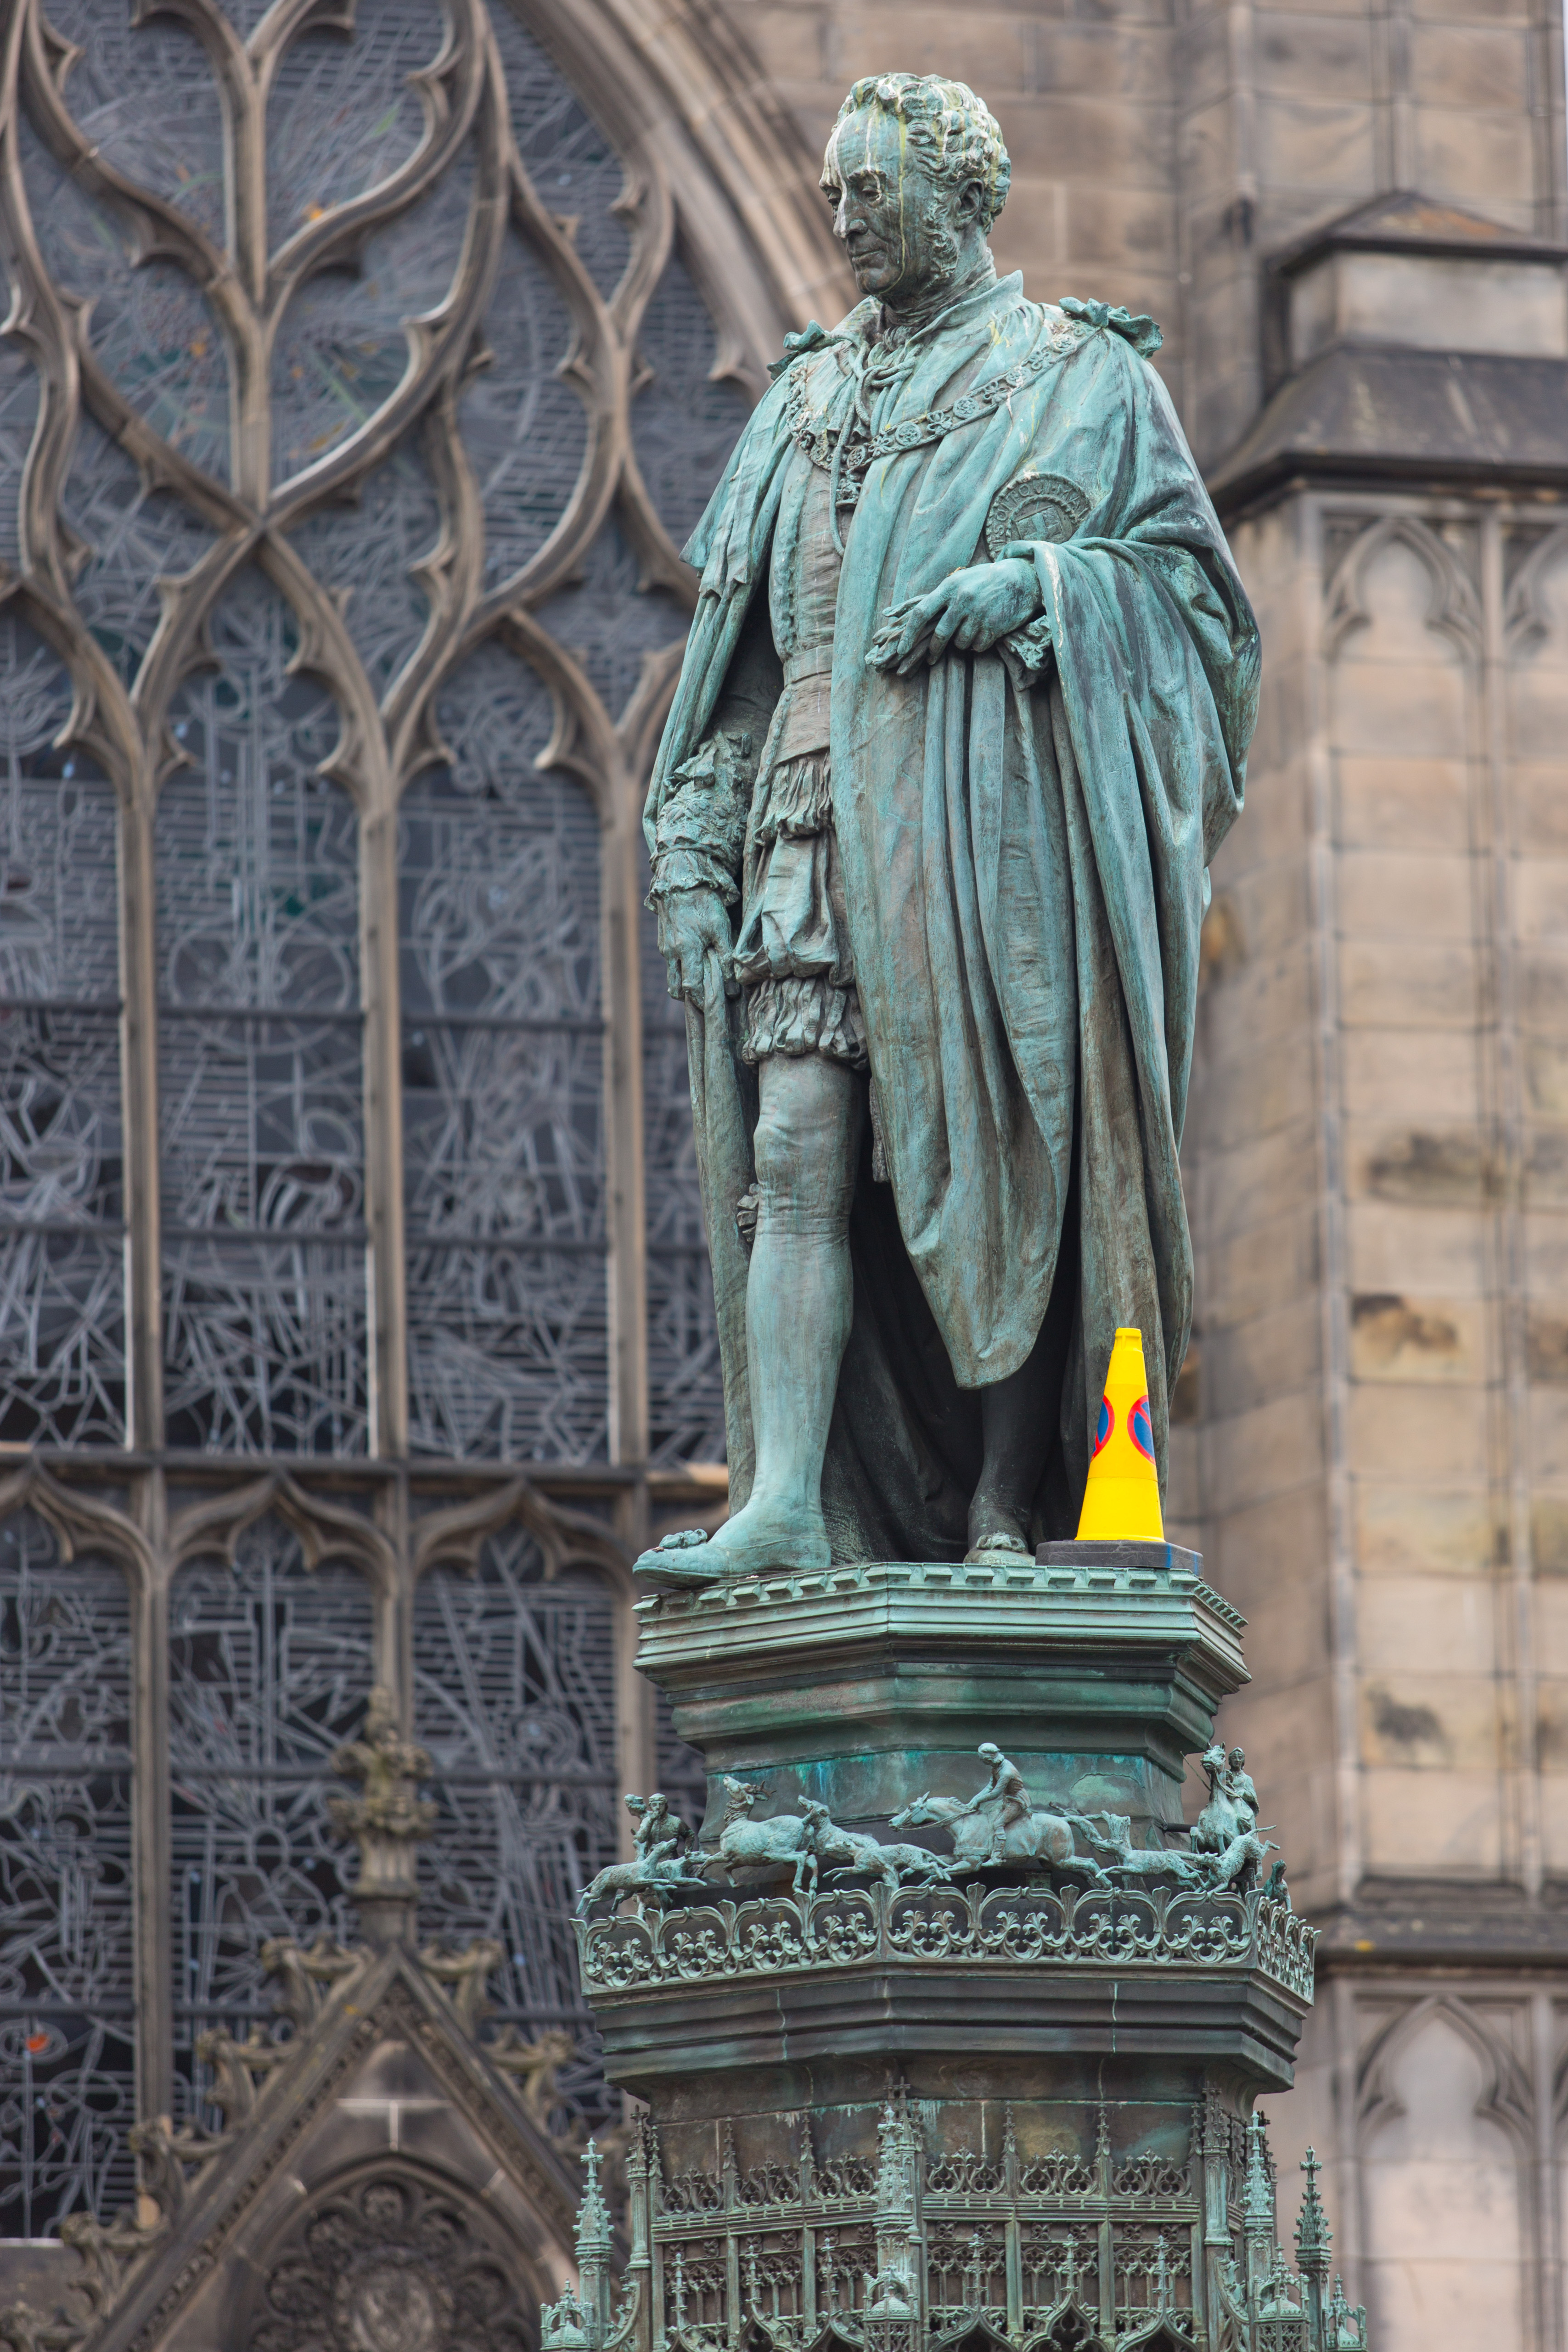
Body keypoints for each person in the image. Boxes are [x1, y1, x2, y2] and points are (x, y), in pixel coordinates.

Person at [636, 73, 1258, 1583]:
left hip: (990, 842)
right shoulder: (797, 405)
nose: (844, 217)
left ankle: (1006, 1500)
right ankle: (787, 1498)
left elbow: (1200, 617)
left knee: (1005, 1160)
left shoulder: (1081, 378)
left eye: (873, 190)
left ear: (963, 194)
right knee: (794, 1150)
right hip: (805, 824)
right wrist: (693, 852)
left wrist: (1036, 590)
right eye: (835, 192)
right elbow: (742, 674)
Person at [955, 1742, 1031, 1866]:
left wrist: (978, 1801)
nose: (981, 1761)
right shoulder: (997, 1767)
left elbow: (995, 1793)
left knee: (998, 1824)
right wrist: (974, 1800)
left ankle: (997, 1857)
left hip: (1017, 1801)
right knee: (988, 1813)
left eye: (982, 1759)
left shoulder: (1006, 1772)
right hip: (1008, 1799)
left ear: (988, 1759)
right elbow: (990, 1787)